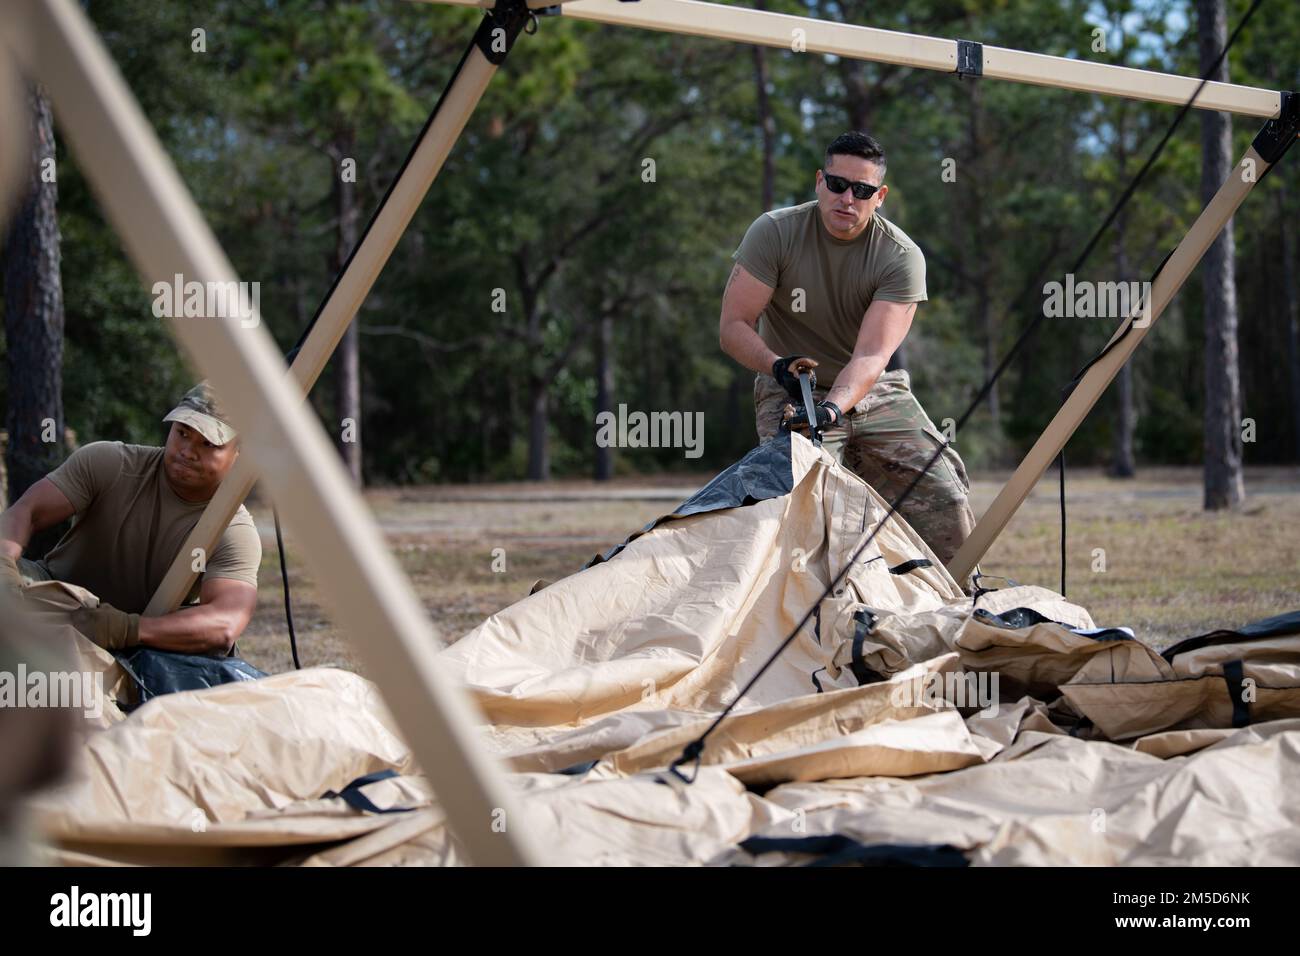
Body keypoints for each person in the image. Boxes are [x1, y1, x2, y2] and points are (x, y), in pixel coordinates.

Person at [719, 130, 976, 575]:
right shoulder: (774, 233)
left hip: (873, 390)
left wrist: (833, 409)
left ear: (880, 196)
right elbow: (733, 327)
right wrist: (777, 366)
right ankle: (797, 617)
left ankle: (958, 605)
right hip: (790, 389)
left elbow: (873, 356)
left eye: (862, 191)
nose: (847, 199)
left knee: (946, 499)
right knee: (798, 503)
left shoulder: (900, 256)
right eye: (837, 185)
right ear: (819, 181)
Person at [0, 382, 261, 654]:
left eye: (208, 444)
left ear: (238, 456)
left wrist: (126, 629)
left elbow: (225, 623)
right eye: (182, 433)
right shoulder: (111, 463)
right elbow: (26, 511)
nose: (187, 451)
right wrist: (5, 564)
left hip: (142, 642)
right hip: (53, 596)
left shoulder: (232, 530)